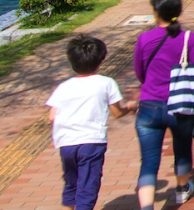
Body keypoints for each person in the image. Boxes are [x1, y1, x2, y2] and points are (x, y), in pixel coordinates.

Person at [134, 0, 194, 209]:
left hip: (149, 106)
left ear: (157, 13)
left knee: (148, 163)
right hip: (181, 106)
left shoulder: (144, 38)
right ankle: (181, 190)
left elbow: (139, 73)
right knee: (182, 150)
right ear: (178, 12)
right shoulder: (189, 38)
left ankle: (147, 206)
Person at [47, 35, 134, 210]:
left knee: (71, 183)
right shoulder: (106, 83)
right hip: (91, 142)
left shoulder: (63, 87)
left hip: (66, 143)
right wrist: (130, 107)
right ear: (100, 61)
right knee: (88, 186)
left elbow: (51, 116)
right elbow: (116, 113)